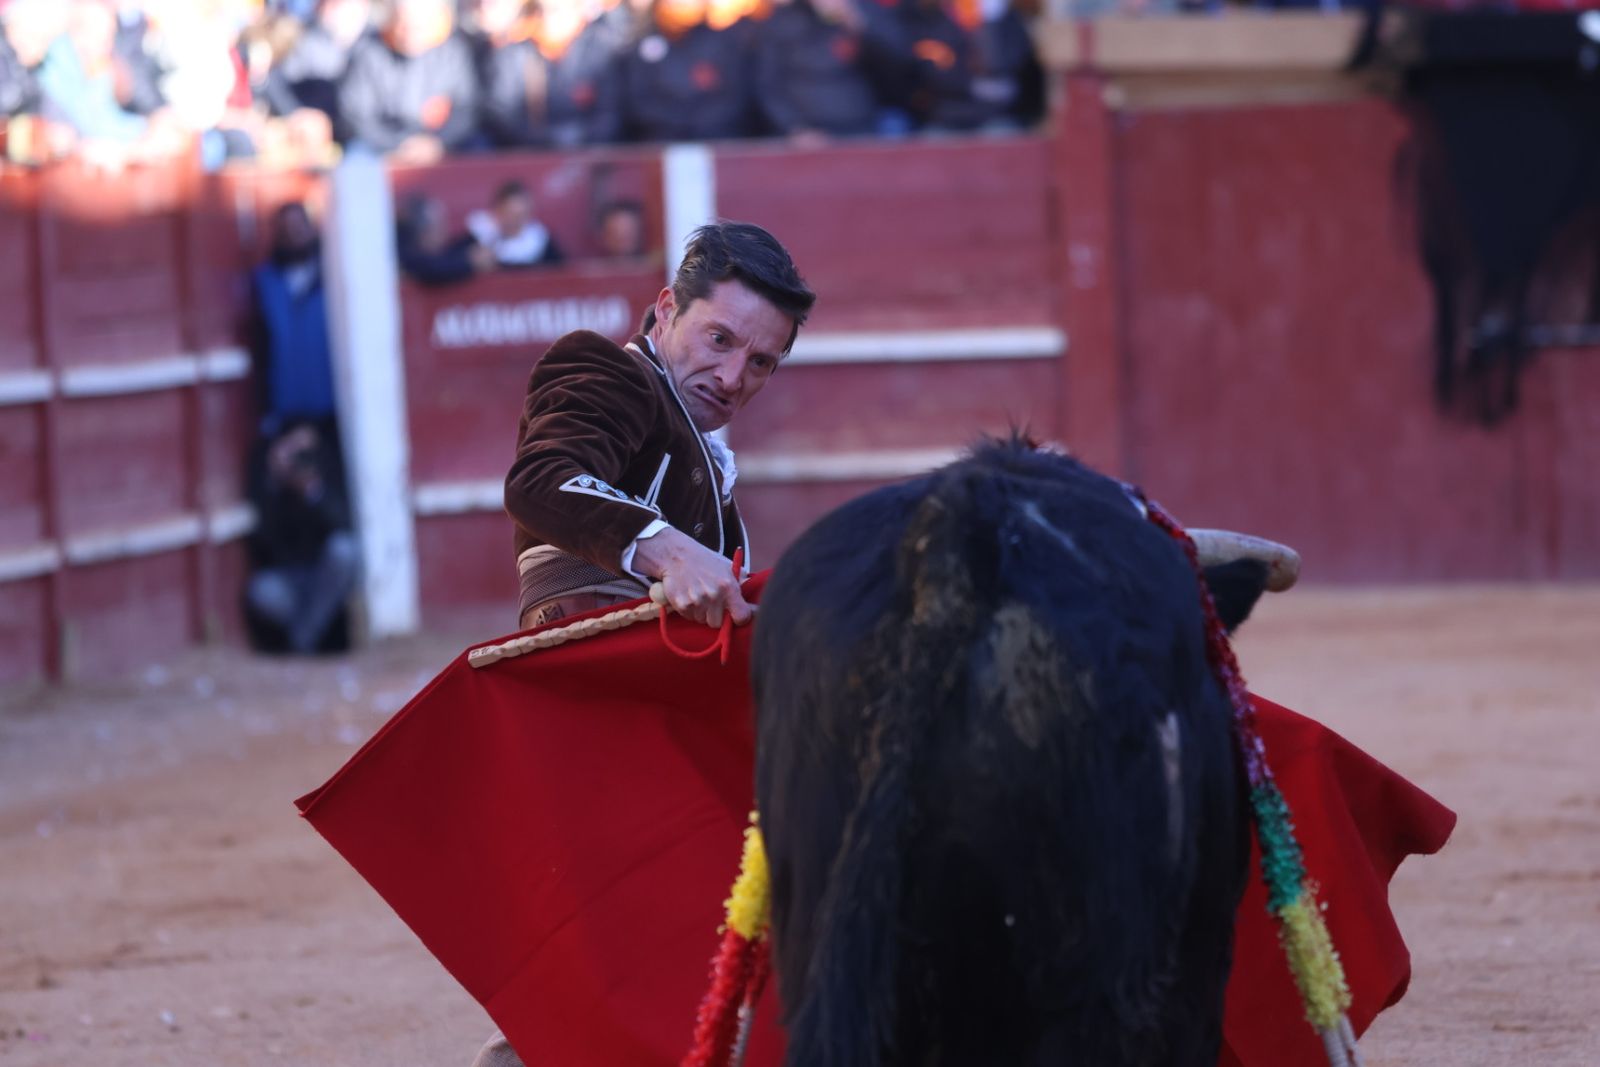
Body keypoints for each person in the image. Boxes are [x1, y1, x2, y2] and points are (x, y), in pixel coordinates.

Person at [505, 221, 814, 632]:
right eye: (719, 339)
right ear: (668, 310)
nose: (732, 378)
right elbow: (540, 480)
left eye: (760, 362)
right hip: (592, 672)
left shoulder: (695, 440)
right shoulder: (614, 370)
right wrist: (673, 554)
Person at [244, 419, 358, 654]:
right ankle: (309, 637)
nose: (301, 459)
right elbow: (266, 544)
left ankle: (302, 641)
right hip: (292, 579)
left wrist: (312, 492)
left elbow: (342, 523)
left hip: (326, 577)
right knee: (263, 592)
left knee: (344, 552)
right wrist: (275, 480)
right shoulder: (270, 479)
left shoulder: (327, 470)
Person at [338, 0, 480, 161]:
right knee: (356, 156)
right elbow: (356, 114)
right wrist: (396, 145)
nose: (409, 34)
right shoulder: (370, 52)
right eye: (402, 25)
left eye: (418, 27)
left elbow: (466, 109)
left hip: (441, 139)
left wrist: (439, 142)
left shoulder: (452, 53)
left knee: (480, 150)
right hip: (383, 143)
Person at [252, 201, 337, 433]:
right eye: (286, 231)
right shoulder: (264, 281)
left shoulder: (334, 272)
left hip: (333, 403)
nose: (294, 236)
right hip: (286, 405)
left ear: (311, 229)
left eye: (299, 227)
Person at [396, 192, 498, 285]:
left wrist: (473, 241)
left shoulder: (418, 250)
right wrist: (469, 262)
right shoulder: (403, 253)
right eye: (440, 227)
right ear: (423, 233)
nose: (445, 233)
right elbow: (432, 268)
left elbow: (447, 252)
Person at [466, 178, 565, 268]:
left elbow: (562, 270)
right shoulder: (479, 236)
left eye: (521, 216)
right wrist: (471, 261)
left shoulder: (541, 242)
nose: (515, 222)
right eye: (510, 214)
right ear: (497, 212)